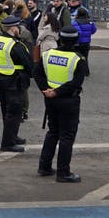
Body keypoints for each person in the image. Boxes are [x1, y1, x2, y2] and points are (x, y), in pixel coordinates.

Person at [35, 27, 88, 182]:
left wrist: (46, 89)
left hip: (50, 99)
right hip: (68, 100)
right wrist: (57, 92)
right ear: (76, 40)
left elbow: (37, 73)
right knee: (66, 136)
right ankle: (63, 172)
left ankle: (44, 166)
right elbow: (76, 83)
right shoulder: (78, 59)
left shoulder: (48, 55)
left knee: (53, 132)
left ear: (60, 39)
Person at [0, 15, 33, 153]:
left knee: (7, 111)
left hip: (1, 79)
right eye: (18, 27)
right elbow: (28, 64)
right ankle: (8, 143)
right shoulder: (16, 45)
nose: (19, 30)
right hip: (15, 81)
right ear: (13, 28)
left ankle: (12, 136)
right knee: (14, 112)